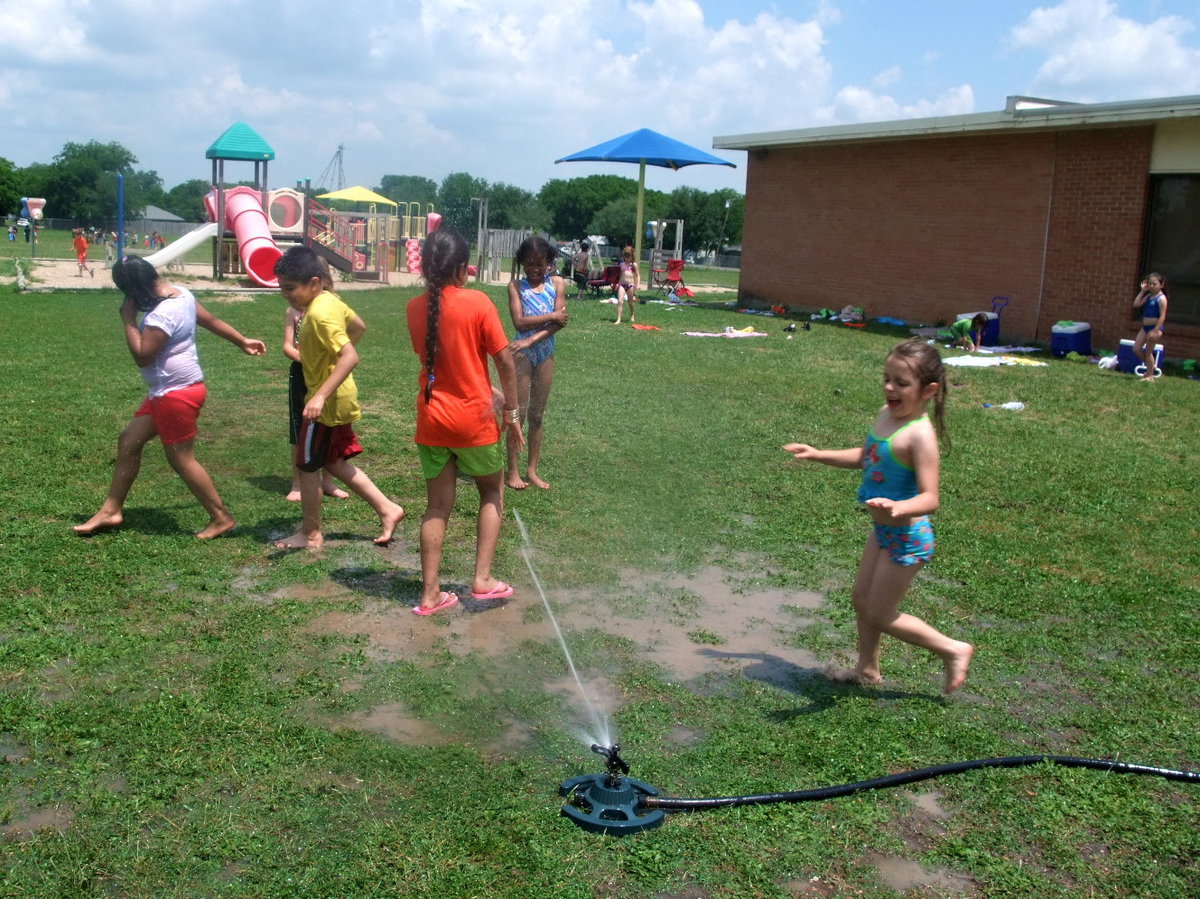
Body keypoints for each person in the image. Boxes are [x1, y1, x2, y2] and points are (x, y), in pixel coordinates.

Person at [783, 338, 974, 694]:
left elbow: (931, 497)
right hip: (883, 531)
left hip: (908, 537)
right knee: (861, 599)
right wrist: (819, 453)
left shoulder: (920, 436)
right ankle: (867, 670)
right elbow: (866, 456)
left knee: (881, 613)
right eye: (887, 378)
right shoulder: (886, 416)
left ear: (928, 390)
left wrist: (902, 507)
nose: (890, 387)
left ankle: (953, 649)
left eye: (901, 383)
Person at [74, 257, 266, 539]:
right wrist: (241, 340)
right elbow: (210, 320)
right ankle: (111, 510)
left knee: (181, 459)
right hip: (170, 391)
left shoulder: (159, 317)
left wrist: (128, 319)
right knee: (129, 440)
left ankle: (221, 517)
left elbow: (142, 356)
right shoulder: (183, 294)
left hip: (175, 395)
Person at [405, 228, 524, 615]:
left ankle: (429, 595)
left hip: (433, 421)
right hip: (474, 422)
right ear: (461, 268)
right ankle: (483, 578)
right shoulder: (478, 302)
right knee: (491, 492)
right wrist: (511, 412)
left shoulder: (413, 307)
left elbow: (442, 363)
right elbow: (505, 361)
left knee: (436, 507)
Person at [272, 246, 405, 550]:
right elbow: (358, 327)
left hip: (326, 403)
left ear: (315, 283)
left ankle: (310, 533)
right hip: (339, 395)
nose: (286, 295)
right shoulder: (330, 301)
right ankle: (388, 508)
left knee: (306, 463)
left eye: (291, 288)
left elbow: (350, 356)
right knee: (332, 461)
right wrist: (327, 360)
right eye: (282, 288)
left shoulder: (318, 315)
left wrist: (318, 396)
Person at [283, 259, 351, 502]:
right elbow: (287, 347)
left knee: (326, 428)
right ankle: (297, 483)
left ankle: (328, 482)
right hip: (301, 374)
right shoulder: (293, 312)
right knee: (299, 429)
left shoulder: (330, 308)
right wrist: (307, 359)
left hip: (324, 376)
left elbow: (350, 340)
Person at [506, 236, 568, 490]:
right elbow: (519, 322)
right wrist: (551, 316)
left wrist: (532, 340)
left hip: (542, 352)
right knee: (517, 413)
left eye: (540, 263)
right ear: (522, 263)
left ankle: (532, 470)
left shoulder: (557, 284)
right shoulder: (515, 286)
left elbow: (559, 323)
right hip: (521, 355)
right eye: (529, 264)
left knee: (538, 414)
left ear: (548, 262)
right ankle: (512, 471)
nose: (534, 269)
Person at [1131, 273, 1167, 381]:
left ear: (1161, 285)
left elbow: (1162, 317)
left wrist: (1155, 331)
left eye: (1154, 284)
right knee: (1136, 349)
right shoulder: (1148, 296)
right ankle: (1150, 367)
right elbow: (1136, 304)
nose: (1151, 286)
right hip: (1145, 327)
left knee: (1148, 351)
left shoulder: (1161, 298)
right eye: (1150, 284)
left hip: (1154, 328)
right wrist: (1142, 291)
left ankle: (1150, 375)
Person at [614, 245, 639, 324]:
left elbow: (638, 275)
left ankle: (632, 314)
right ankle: (618, 319)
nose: (627, 258)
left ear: (632, 256)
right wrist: (618, 284)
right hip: (622, 284)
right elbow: (621, 275)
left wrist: (637, 284)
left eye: (629, 256)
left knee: (630, 302)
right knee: (620, 301)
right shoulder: (622, 264)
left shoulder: (634, 265)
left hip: (630, 285)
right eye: (626, 256)